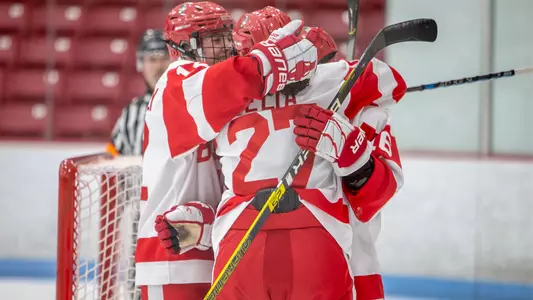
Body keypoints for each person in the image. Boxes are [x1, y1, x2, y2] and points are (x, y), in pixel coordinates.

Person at [156, 5, 404, 300]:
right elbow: (393, 84)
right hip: (327, 239)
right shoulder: (340, 84)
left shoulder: (223, 101)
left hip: (242, 240)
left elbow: (380, 188)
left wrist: (357, 161)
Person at [135, 1, 322, 299]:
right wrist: (267, 61)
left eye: (226, 37)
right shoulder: (178, 79)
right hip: (170, 254)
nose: (224, 47)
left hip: (215, 246)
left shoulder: (231, 94)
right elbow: (224, 85)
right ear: (183, 46)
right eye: (212, 40)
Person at [107, 29, 170, 156]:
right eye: (152, 59)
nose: (159, 66)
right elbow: (112, 156)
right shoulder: (131, 111)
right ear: (141, 64)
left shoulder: (187, 104)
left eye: (164, 58)